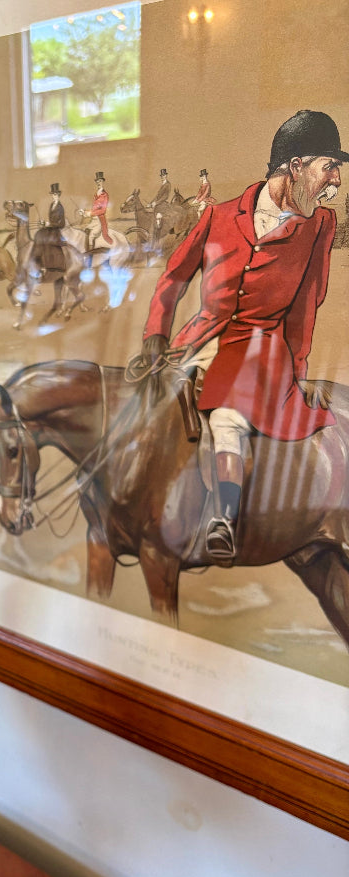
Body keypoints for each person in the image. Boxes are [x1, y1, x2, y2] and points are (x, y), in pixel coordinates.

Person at [140, 110, 346, 559]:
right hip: (197, 340)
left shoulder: (319, 225)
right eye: (329, 167)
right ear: (296, 166)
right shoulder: (217, 216)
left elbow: (305, 306)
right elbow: (174, 279)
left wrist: (297, 371)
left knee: (225, 419)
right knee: (144, 402)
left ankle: (223, 520)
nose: (335, 181)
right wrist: (156, 335)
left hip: (260, 348)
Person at [33, 182, 66, 271]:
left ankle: (55, 262)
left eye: (56, 194)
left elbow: (62, 223)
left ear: (58, 195)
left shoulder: (60, 207)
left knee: (48, 240)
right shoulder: (52, 205)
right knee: (39, 234)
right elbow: (51, 220)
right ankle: (39, 260)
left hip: (56, 230)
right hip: (50, 228)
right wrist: (44, 223)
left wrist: (49, 224)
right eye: (53, 194)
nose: (54, 196)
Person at [81, 171, 113, 253]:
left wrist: (90, 213)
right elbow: (94, 210)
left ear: (103, 182)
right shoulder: (96, 194)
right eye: (97, 181)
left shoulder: (105, 195)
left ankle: (90, 256)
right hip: (93, 220)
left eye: (100, 181)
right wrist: (84, 212)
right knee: (85, 231)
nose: (99, 183)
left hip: (100, 221)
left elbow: (103, 210)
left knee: (91, 236)